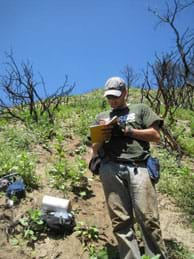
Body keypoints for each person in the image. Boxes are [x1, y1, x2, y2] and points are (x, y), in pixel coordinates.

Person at [90, 77, 167, 259]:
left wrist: (129, 131)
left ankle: (156, 256)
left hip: (138, 167)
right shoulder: (101, 117)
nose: (113, 100)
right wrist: (102, 135)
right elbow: (93, 148)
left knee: (148, 218)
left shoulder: (140, 109)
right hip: (110, 169)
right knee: (120, 221)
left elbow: (156, 135)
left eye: (116, 96)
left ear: (125, 92)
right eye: (109, 97)